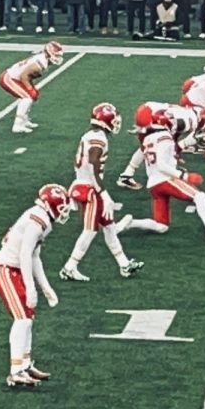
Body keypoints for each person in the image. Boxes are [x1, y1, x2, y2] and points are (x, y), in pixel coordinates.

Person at [0, 184, 71, 388]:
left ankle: (25, 364)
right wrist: (30, 287)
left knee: (27, 318)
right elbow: (24, 254)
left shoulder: (42, 218)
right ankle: (16, 371)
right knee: (22, 319)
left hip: (14, 270)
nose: (64, 212)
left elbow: (35, 256)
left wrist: (46, 287)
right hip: (5, 269)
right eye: (61, 207)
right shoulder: (38, 221)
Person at [114, 114, 205, 242]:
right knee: (200, 196)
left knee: (161, 226)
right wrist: (184, 176)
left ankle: (131, 223)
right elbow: (161, 164)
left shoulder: (148, 139)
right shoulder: (165, 137)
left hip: (153, 184)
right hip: (165, 179)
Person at [59, 103, 144, 282]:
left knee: (110, 228)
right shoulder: (99, 140)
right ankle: (69, 267)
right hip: (90, 189)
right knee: (89, 231)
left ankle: (124, 265)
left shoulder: (90, 134)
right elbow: (92, 167)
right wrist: (104, 194)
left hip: (84, 184)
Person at [0, 42, 63, 133]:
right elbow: (24, 76)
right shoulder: (40, 64)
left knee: (29, 97)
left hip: (15, 78)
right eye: (56, 54)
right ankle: (17, 125)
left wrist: (32, 88)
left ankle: (24, 120)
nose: (58, 57)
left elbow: (28, 76)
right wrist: (30, 89)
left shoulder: (42, 59)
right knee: (27, 98)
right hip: (9, 78)